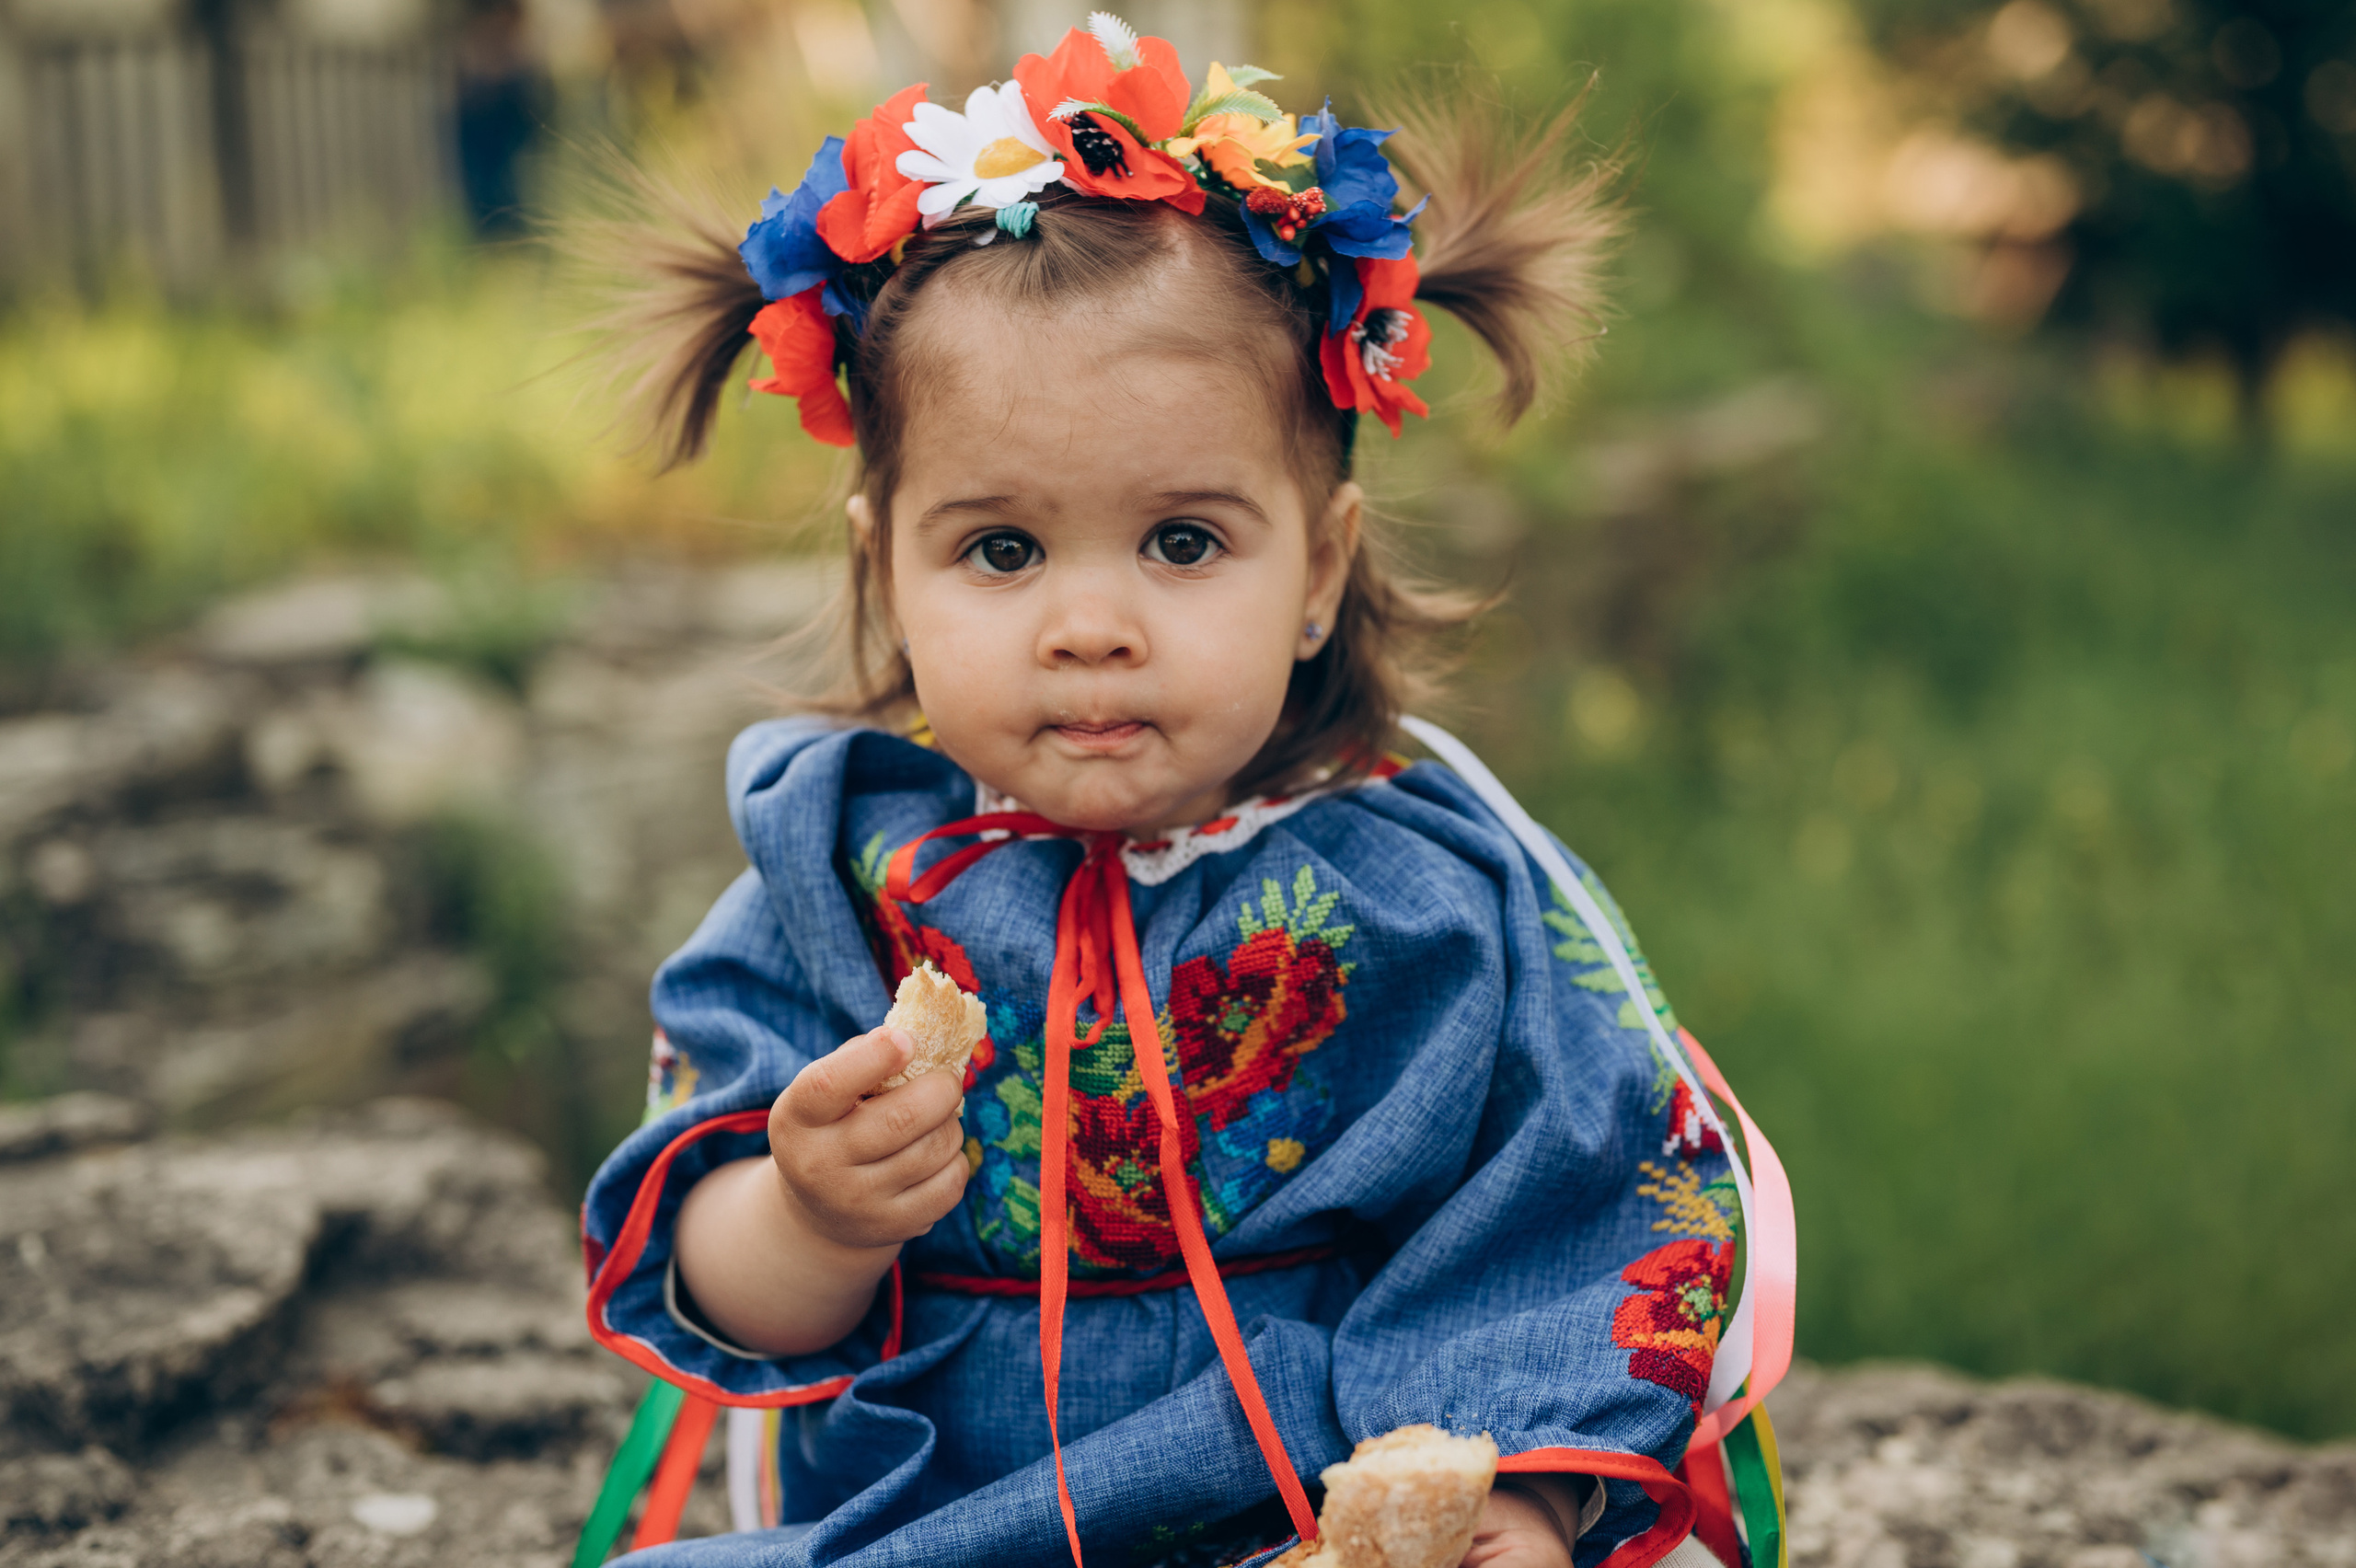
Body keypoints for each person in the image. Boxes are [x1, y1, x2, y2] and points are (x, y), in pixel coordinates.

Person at [578, 17, 1792, 1568]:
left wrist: (1514, 1500)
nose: (1091, 623)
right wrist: (811, 1214)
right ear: (887, 563)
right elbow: (715, 1283)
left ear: (1321, 569)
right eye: (1001, 551)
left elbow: (1584, 1207)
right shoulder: (838, 881)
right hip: (921, 1528)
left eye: (1184, 542)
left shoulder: (1432, 902)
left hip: (1297, 1514)